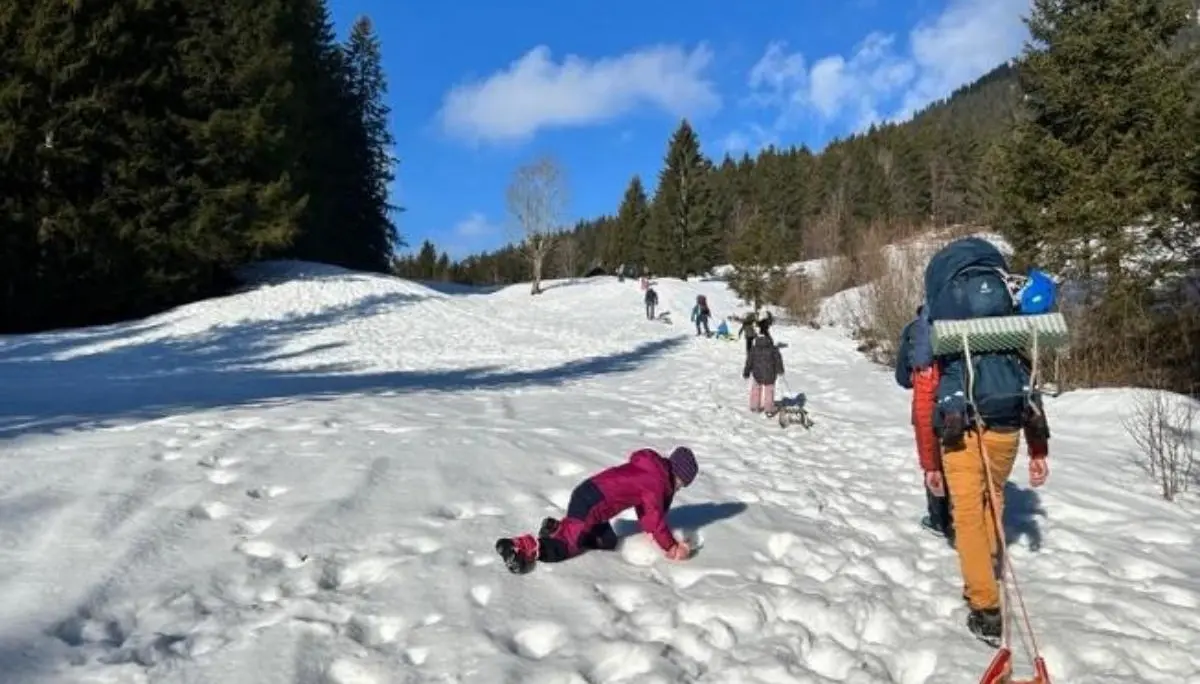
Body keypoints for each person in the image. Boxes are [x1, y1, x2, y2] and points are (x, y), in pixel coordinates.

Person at [915, 237, 1053, 642]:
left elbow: (925, 394)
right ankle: (986, 571)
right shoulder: (1010, 322)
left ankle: (985, 605)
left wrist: (929, 462)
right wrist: (1038, 449)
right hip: (1006, 419)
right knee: (994, 496)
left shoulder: (938, 322)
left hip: (958, 425)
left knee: (967, 514)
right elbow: (1029, 382)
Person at [494, 446, 699, 574]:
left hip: (590, 498)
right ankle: (520, 547)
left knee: (608, 541)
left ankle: (556, 528)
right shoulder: (656, 483)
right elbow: (653, 518)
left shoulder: (652, 472)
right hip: (590, 504)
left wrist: (655, 529)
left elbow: (646, 514)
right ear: (677, 475)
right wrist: (671, 547)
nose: (678, 489)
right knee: (567, 546)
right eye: (681, 484)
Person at [895, 306, 954, 545]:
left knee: (932, 459)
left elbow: (902, 377)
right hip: (962, 402)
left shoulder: (914, 330)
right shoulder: (964, 321)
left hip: (927, 402)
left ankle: (939, 518)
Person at [743, 321, 784, 414]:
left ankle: (754, 406)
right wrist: (780, 370)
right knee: (769, 391)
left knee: (756, 389)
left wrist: (746, 372)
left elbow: (749, 362)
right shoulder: (773, 349)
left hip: (757, 374)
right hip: (770, 375)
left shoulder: (754, 349)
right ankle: (769, 408)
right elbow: (778, 360)